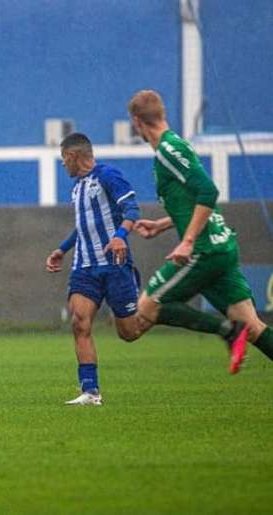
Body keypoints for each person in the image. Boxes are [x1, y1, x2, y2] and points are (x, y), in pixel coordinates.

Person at [126, 89, 273, 371]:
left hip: (204, 250)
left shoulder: (168, 150)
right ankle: (236, 329)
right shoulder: (175, 146)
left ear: (137, 122)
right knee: (254, 327)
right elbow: (196, 199)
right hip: (221, 247)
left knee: (148, 307)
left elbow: (208, 192)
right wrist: (164, 224)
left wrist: (188, 240)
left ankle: (228, 331)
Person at [46, 132, 142, 406]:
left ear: (73, 156)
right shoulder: (77, 188)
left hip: (114, 265)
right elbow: (84, 227)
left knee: (129, 332)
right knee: (79, 322)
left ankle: (157, 307)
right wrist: (62, 250)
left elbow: (132, 210)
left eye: (64, 159)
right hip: (85, 266)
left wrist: (120, 237)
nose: (63, 165)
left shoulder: (109, 176)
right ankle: (90, 391)